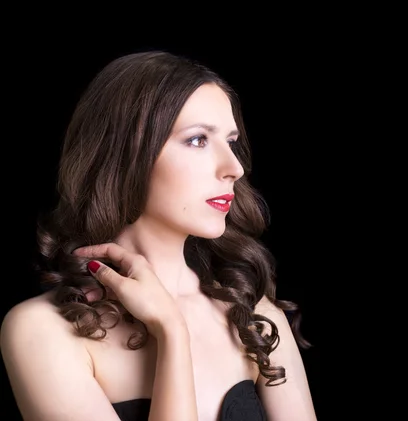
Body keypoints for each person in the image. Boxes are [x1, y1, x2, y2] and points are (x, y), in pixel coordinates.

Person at [0, 50, 317, 421]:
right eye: (198, 139)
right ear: (125, 154)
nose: (234, 167)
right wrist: (171, 334)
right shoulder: (43, 331)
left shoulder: (254, 315)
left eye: (231, 142)